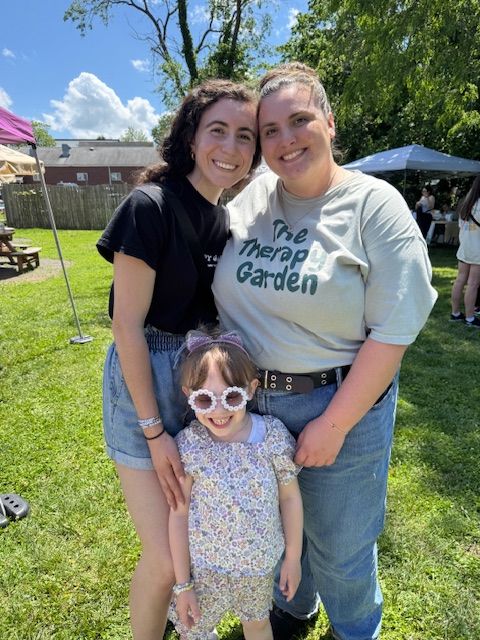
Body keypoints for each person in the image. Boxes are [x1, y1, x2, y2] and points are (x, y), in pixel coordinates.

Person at [212, 62, 438, 640]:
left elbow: (394, 330)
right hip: (251, 408)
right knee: (275, 530)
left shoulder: (374, 204)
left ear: (330, 123)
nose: (286, 140)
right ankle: (293, 609)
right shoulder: (252, 197)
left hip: (339, 401)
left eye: (300, 120)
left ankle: (355, 629)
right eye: (270, 130)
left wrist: (334, 424)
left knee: (340, 545)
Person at [96, 79, 260, 640]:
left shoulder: (225, 220)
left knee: (189, 533)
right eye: (218, 130)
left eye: (245, 135)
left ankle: (175, 615)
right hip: (144, 377)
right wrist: (153, 431)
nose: (231, 147)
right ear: (191, 137)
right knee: (166, 556)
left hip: (199, 382)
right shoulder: (149, 206)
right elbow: (126, 327)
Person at [168, 329, 303, 640]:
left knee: (256, 624)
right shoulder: (190, 446)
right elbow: (178, 513)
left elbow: (290, 499)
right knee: (195, 629)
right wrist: (183, 584)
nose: (219, 411)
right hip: (205, 567)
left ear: (251, 389)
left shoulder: (272, 438)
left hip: (258, 564)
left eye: (231, 396)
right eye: (204, 399)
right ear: (189, 395)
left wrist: (293, 557)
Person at [450, 175, 480, 327]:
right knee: (473, 284)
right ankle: (470, 318)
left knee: (460, 280)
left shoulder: (466, 202)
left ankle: (455, 313)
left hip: (465, 248)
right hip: (477, 250)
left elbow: (461, 225)